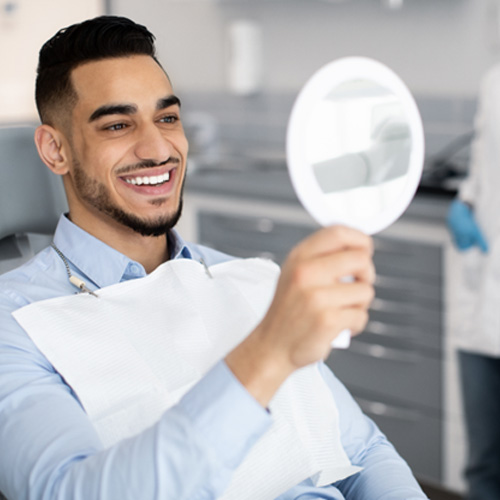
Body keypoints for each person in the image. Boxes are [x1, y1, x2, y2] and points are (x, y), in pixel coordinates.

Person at [0, 15, 428, 500]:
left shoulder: (249, 279)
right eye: (118, 125)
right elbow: (69, 491)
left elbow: (364, 452)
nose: (158, 147)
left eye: (167, 118)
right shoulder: (15, 326)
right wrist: (267, 351)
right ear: (55, 149)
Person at [447, 64, 500, 500]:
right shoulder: (494, 81)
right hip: (484, 291)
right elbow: (485, 165)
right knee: (484, 464)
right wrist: (465, 200)